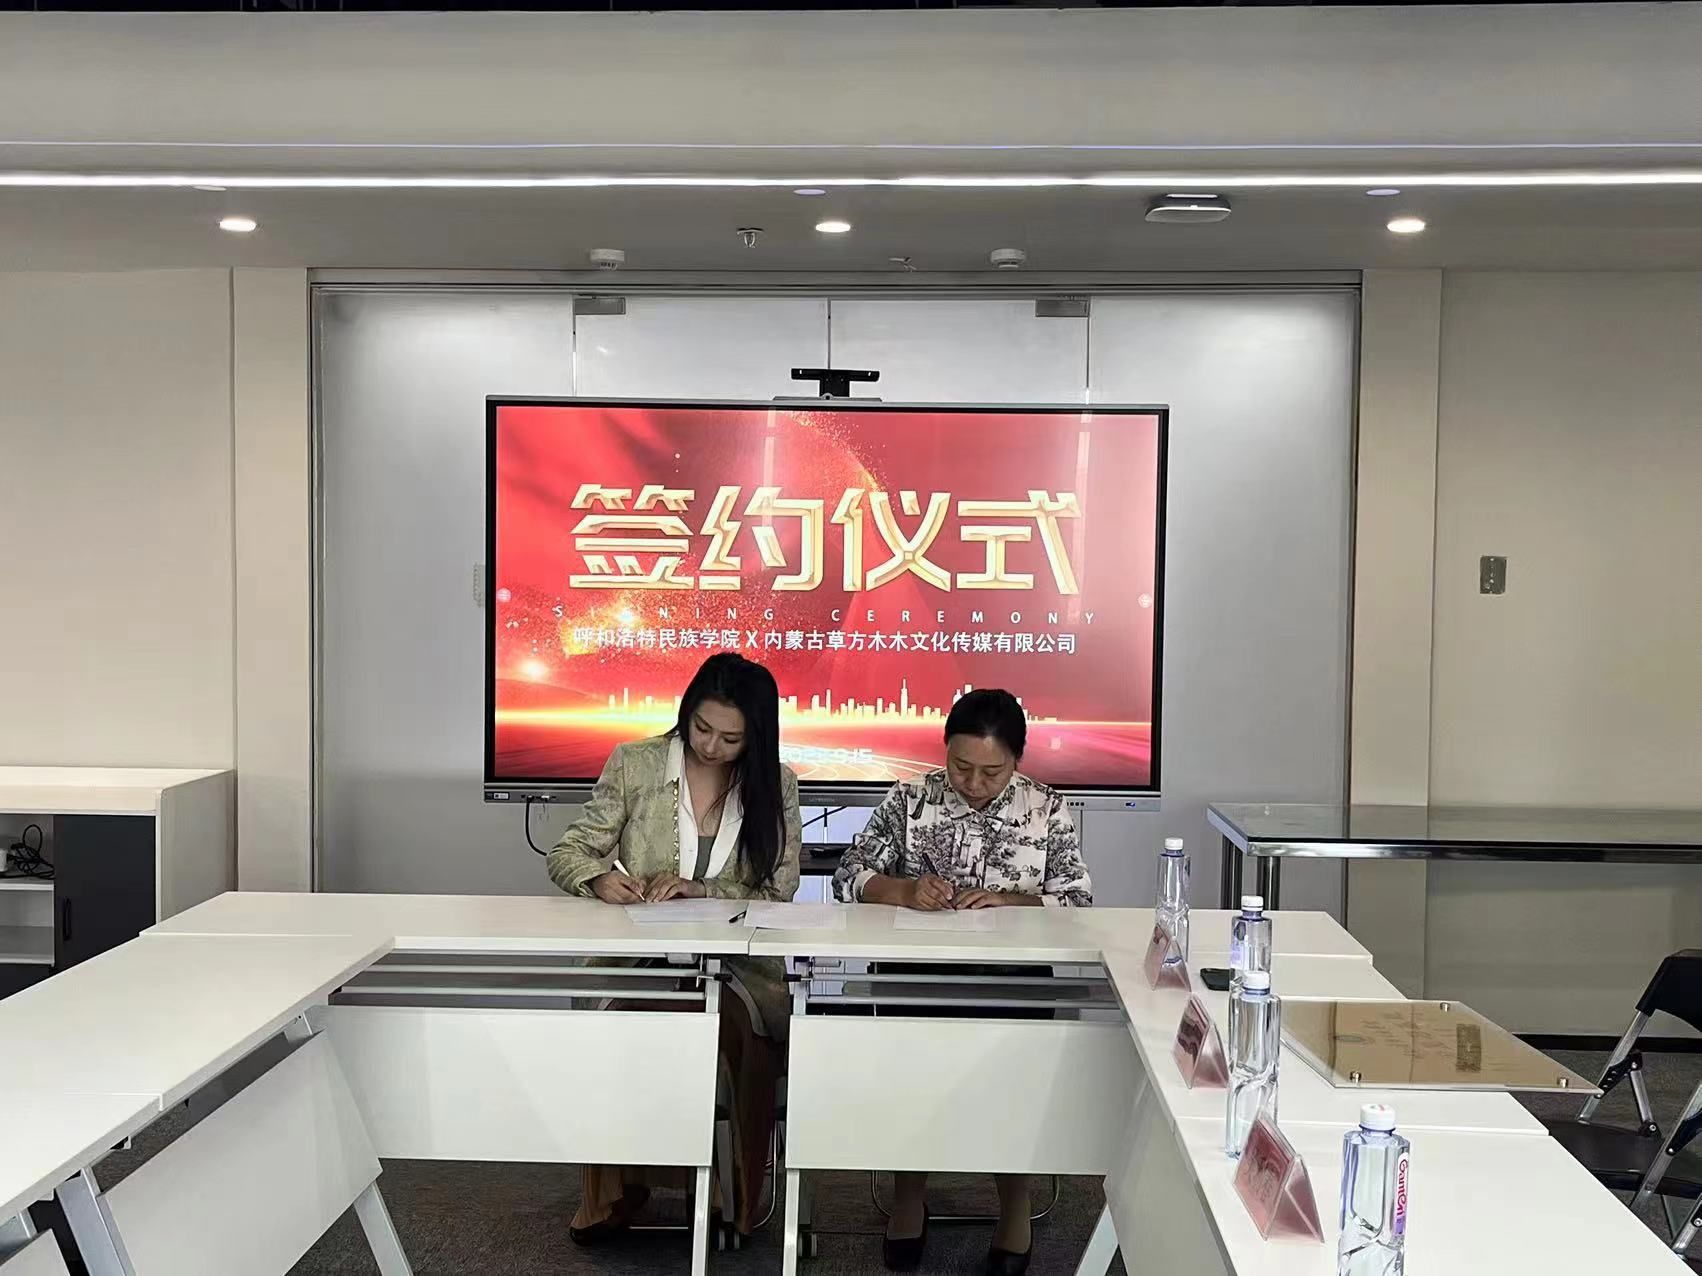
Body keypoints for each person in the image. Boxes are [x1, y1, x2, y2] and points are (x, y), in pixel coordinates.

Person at [833, 687, 1091, 1275]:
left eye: (991, 772)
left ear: (1017, 760)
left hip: (1015, 982)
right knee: (912, 1084)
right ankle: (908, 1198)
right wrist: (901, 890)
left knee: (1013, 1090)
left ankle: (1014, 1208)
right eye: (961, 767)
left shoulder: (1046, 807)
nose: (973, 783)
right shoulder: (910, 799)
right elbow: (850, 874)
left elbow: (1077, 899)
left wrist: (1009, 899)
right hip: (915, 978)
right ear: (944, 751)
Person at [546, 652, 802, 1245]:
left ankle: (725, 1199)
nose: (710, 747)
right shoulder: (634, 763)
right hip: (637, 962)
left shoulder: (777, 784)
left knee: (728, 1034)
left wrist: (702, 891)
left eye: (731, 739)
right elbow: (569, 852)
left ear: (757, 738)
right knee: (629, 1032)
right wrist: (597, 878)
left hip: (738, 968)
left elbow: (779, 889)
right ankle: (614, 1194)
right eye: (701, 728)